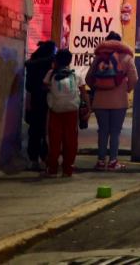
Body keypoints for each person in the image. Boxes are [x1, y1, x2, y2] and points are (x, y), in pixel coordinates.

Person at [86, 31, 138, 171]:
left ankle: (101, 161)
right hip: (119, 100)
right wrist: (127, 89)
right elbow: (134, 78)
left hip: (100, 100)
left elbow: (88, 77)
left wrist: (97, 88)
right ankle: (113, 162)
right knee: (115, 132)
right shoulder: (126, 57)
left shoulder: (99, 57)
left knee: (102, 131)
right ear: (120, 42)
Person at [44, 49, 86, 178]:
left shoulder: (51, 74)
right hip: (72, 111)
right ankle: (68, 169)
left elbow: (45, 88)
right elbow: (83, 93)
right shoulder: (75, 74)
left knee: (54, 140)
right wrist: (87, 107)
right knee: (71, 140)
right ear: (70, 60)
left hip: (55, 111)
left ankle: (52, 169)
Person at [24, 40, 56, 171]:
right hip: (49, 101)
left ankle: (33, 159)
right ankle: (45, 158)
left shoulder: (32, 65)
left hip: (35, 101)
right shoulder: (51, 65)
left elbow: (29, 87)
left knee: (34, 131)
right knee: (47, 132)